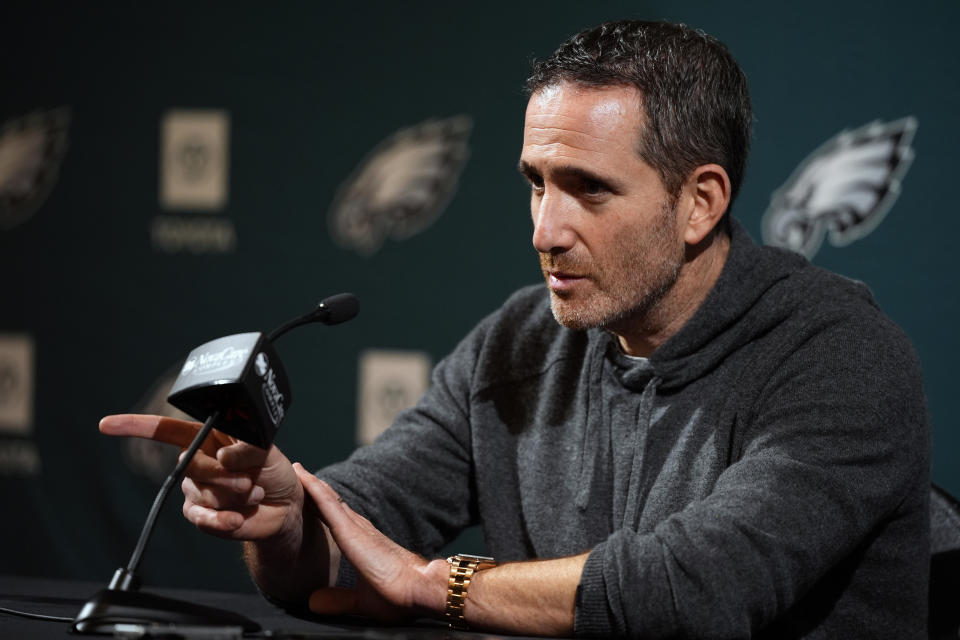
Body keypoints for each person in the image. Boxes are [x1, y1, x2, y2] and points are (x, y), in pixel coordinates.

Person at [101, 20, 930, 639]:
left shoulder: (841, 356)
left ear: (700, 203)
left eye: (588, 190)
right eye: (536, 183)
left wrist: (440, 585)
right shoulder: (522, 339)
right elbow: (355, 542)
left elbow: (696, 592)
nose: (544, 229)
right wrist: (288, 525)